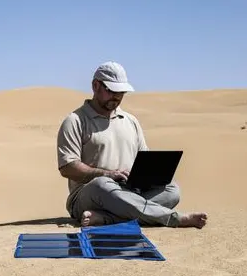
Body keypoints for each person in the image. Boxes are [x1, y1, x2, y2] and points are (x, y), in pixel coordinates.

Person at [56, 61, 208, 229]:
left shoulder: (131, 121)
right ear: (95, 85)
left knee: (172, 189)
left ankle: (107, 218)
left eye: (121, 92)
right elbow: (68, 167)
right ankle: (175, 219)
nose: (116, 96)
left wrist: (150, 176)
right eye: (111, 90)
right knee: (102, 184)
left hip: (129, 191)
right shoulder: (75, 121)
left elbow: (144, 160)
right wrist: (107, 174)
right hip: (89, 196)